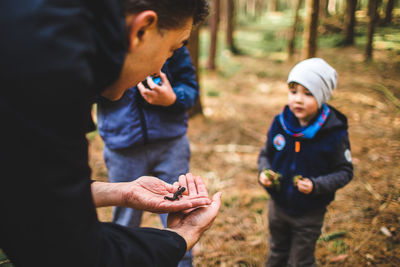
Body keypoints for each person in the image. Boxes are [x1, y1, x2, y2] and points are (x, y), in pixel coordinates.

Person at [0, 1, 222, 266]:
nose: (158, 71)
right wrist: (183, 235)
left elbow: (29, 193)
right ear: (142, 30)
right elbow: (66, 250)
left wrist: (123, 193)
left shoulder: (46, 38)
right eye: (171, 49)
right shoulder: (48, 81)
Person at [97, 45, 198, 267]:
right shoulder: (107, 41)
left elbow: (191, 90)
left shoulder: (173, 42)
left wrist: (173, 98)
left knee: (182, 219)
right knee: (125, 223)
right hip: (122, 148)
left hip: (171, 145)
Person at [257, 58, 353, 267]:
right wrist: (264, 172)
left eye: (308, 93)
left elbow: (345, 171)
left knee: (300, 260)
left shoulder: (333, 133)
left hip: (309, 212)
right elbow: (266, 155)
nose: (298, 100)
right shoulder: (280, 123)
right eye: (294, 92)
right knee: (276, 251)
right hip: (278, 206)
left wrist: (316, 185)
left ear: (322, 96)